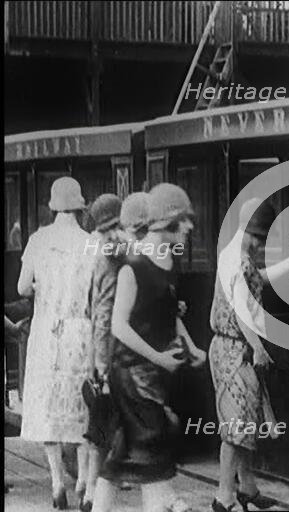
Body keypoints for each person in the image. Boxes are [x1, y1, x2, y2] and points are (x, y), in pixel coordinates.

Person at [92, 185, 205, 512]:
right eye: (183, 221)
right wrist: (158, 357)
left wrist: (190, 346)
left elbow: (168, 313)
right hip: (132, 376)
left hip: (153, 373)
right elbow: (118, 326)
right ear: (165, 223)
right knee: (154, 450)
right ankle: (164, 504)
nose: (189, 228)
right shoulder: (134, 265)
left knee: (121, 454)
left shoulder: (169, 261)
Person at [209, 198, 289, 512]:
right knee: (236, 430)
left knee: (241, 423)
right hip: (236, 350)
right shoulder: (238, 261)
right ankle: (223, 497)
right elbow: (242, 312)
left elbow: (256, 278)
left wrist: (288, 266)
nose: (259, 244)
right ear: (249, 233)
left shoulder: (233, 255)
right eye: (258, 237)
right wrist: (257, 347)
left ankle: (248, 488)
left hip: (229, 348)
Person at [17, 177, 96, 509]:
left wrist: (41, 287)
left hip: (47, 330)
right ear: (79, 207)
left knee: (49, 406)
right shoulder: (90, 241)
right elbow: (96, 292)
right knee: (82, 406)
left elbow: (22, 288)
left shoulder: (38, 239)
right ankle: (82, 481)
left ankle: (56, 482)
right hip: (80, 330)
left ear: (53, 206)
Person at [78, 193, 123, 512]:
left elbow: (90, 308)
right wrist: (102, 363)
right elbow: (103, 314)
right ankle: (96, 493)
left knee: (98, 429)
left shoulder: (97, 252)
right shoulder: (110, 256)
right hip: (112, 354)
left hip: (97, 348)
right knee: (107, 430)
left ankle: (90, 490)